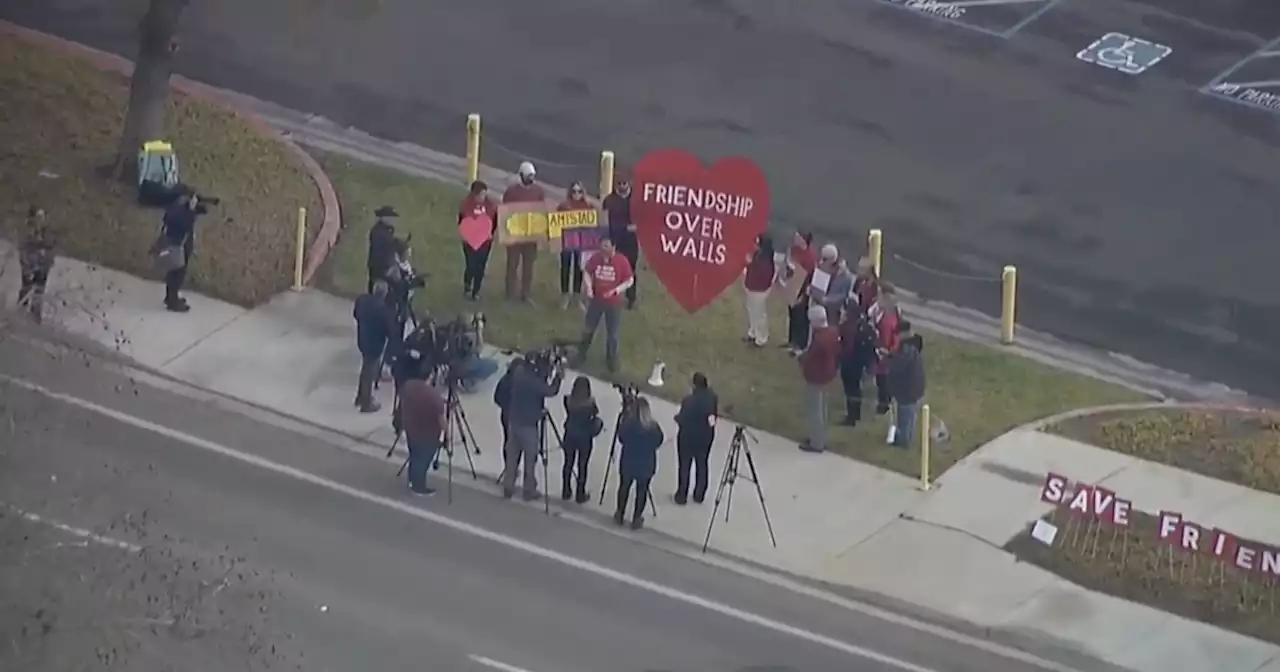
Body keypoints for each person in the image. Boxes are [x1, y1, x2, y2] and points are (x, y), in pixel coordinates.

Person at [500, 354, 563, 500]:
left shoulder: (519, 374)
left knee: (512, 457)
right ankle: (529, 490)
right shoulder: (534, 383)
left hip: (513, 421)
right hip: (528, 425)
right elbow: (551, 390)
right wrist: (558, 376)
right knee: (530, 459)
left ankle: (508, 487)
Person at [575, 238, 634, 373]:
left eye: (606, 246)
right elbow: (587, 272)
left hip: (613, 303)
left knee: (612, 333)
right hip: (596, 300)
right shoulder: (596, 258)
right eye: (601, 247)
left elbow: (629, 280)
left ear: (613, 247)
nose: (603, 250)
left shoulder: (622, 261)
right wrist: (589, 288)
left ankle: (611, 359)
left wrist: (616, 291)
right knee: (588, 328)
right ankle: (581, 354)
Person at [615, 397, 664, 530]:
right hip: (646, 464)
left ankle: (620, 513)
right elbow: (659, 441)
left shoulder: (628, 424)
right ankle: (637, 518)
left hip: (629, 461)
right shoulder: (653, 427)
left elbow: (621, 438)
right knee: (641, 491)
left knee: (624, 487)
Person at [158, 189, 210, 313]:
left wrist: (195, 207)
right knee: (178, 272)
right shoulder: (179, 212)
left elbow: (203, 211)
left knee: (174, 271)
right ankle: (172, 301)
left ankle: (171, 297)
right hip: (179, 245)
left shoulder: (173, 207)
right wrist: (191, 210)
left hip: (174, 242)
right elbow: (186, 224)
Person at [502, 161, 546, 303]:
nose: (530, 179)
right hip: (515, 234)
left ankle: (525, 294)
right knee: (512, 264)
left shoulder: (538, 191)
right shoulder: (511, 191)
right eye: (528, 176)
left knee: (529, 266)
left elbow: (542, 210)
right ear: (521, 175)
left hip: (530, 235)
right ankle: (509, 293)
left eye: (532, 176)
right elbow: (505, 210)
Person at [799, 305, 840, 454]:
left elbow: (810, 358)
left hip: (816, 376)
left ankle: (816, 443)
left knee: (814, 410)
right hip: (828, 374)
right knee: (822, 408)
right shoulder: (833, 332)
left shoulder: (819, 339)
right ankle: (821, 437)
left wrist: (800, 357)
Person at [674, 372, 718, 505]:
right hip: (705, 438)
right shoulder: (712, 397)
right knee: (702, 464)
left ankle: (682, 495)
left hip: (687, 438)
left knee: (685, 466)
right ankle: (699, 494)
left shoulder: (688, 401)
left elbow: (682, 419)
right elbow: (712, 418)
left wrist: (677, 418)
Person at [353, 280, 395, 413]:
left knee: (365, 369)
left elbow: (356, 314)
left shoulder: (362, 301)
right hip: (375, 345)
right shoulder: (383, 310)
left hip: (362, 340)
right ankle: (366, 402)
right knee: (369, 372)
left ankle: (360, 396)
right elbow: (390, 331)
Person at [399, 375, 445, 496]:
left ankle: (412, 479)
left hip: (411, 429)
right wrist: (448, 435)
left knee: (414, 455)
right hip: (427, 434)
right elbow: (442, 421)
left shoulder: (408, 386)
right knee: (422, 460)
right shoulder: (434, 398)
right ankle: (418, 487)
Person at [561, 376, 603, 503]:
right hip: (584, 438)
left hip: (569, 435)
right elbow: (596, 413)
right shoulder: (590, 403)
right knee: (582, 466)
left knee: (568, 464)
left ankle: (566, 490)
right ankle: (580, 493)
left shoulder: (568, 400)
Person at [887, 322, 926, 448]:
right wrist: (892, 355)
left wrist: (888, 361)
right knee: (911, 416)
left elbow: (898, 367)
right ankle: (907, 437)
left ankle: (903, 441)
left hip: (907, 389)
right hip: (916, 386)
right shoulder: (914, 345)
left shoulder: (906, 349)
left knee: (904, 417)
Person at [602, 176, 639, 309]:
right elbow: (605, 220)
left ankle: (631, 298)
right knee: (612, 268)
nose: (622, 186)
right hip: (614, 238)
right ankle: (610, 295)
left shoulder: (636, 199)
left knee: (631, 269)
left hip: (631, 240)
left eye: (625, 183)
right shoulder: (609, 200)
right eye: (619, 183)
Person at [838, 307, 877, 427]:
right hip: (859, 364)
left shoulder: (847, 327)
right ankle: (856, 414)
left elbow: (844, 346)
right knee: (856, 389)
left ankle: (851, 417)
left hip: (849, 363)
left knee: (850, 390)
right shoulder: (863, 326)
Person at [458, 181, 498, 300]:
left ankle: (476, 291)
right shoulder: (466, 204)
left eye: (484, 194)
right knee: (471, 265)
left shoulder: (490, 205)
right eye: (480, 194)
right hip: (469, 242)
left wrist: (489, 234)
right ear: (474, 194)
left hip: (485, 242)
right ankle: (467, 285)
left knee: (481, 266)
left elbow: (494, 220)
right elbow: (461, 221)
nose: (483, 197)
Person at [17, 207, 55, 325]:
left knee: (39, 291)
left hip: (42, 266)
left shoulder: (47, 232)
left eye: (42, 217)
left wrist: (47, 261)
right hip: (30, 264)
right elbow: (23, 248)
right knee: (26, 288)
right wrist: (26, 265)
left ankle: (35, 315)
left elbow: (51, 246)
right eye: (38, 217)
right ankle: (19, 312)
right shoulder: (28, 230)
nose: (41, 220)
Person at [557, 181, 591, 310]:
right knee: (565, 268)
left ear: (583, 192)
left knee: (579, 268)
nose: (577, 194)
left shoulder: (588, 206)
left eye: (579, 191)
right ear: (570, 193)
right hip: (567, 241)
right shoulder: (564, 206)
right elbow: (556, 221)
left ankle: (577, 297)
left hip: (581, 242)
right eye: (574, 191)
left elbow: (593, 222)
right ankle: (565, 295)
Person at [742, 233, 779, 347]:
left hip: (759, 290)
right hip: (752, 287)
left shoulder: (765, 260)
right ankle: (753, 333)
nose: (755, 245)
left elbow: (762, 275)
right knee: (752, 311)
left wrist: (749, 264)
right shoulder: (759, 255)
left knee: (759, 314)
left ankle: (761, 338)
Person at [868, 287, 901, 415]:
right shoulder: (889, 315)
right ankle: (884, 402)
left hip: (884, 353)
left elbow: (891, 338)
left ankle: (884, 404)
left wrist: (887, 351)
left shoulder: (890, 320)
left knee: (883, 381)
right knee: (881, 379)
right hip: (883, 350)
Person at [784, 231, 816, 354]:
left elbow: (809, 275)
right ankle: (791, 340)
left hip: (802, 290)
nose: (795, 238)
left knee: (800, 317)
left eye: (798, 237)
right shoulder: (794, 250)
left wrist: (804, 294)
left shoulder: (809, 256)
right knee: (792, 314)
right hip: (793, 287)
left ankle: (800, 345)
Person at [808, 244, 853, 325]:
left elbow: (844, 296)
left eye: (824, 259)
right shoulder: (822, 269)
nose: (821, 261)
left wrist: (827, 300)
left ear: (832, 260)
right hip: (819, 312)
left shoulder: (845, 276)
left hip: (834, 315)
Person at [367, 205, 399, 293]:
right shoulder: (378, 232)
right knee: (379, 289)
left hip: (384, 266)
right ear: (383, 218)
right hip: (380, 268)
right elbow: (380, 250)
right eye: (390, 217)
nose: (392, 220)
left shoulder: (387, 230)